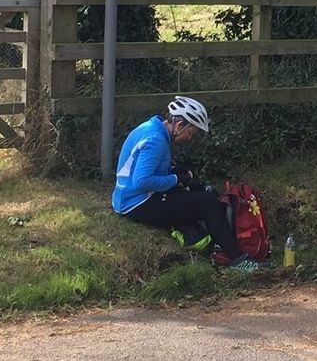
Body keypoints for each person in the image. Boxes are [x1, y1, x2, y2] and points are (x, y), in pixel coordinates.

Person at [112, 96, 267, 273]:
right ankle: (237, 260)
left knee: (204, 192)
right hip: (136, 203)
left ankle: (221, 247)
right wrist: (176, 179)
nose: (190, 138)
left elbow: (149, 171)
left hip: (128, 197)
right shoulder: (155, 140)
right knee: (207, 203)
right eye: (191, 133)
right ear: (179, 125)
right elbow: (142, 181)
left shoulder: (151, 128)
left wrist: (179, 175)